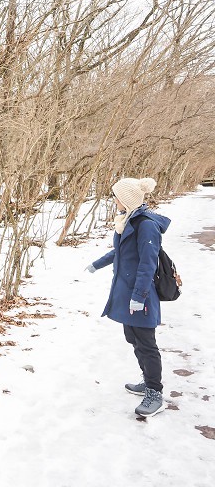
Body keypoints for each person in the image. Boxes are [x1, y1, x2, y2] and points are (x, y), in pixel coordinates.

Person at [86, 177, 170, 417]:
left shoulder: (146, 225)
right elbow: (120, 251)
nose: (114, 201)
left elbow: (147, 263)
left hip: (139, 295)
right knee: (133, 338)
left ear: (126, 200)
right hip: (125, 292)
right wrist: (97, 264)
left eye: (116, 197)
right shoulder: (127, 221)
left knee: (146, 343)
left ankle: (155, 391)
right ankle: (147, 379)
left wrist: (140, 296)